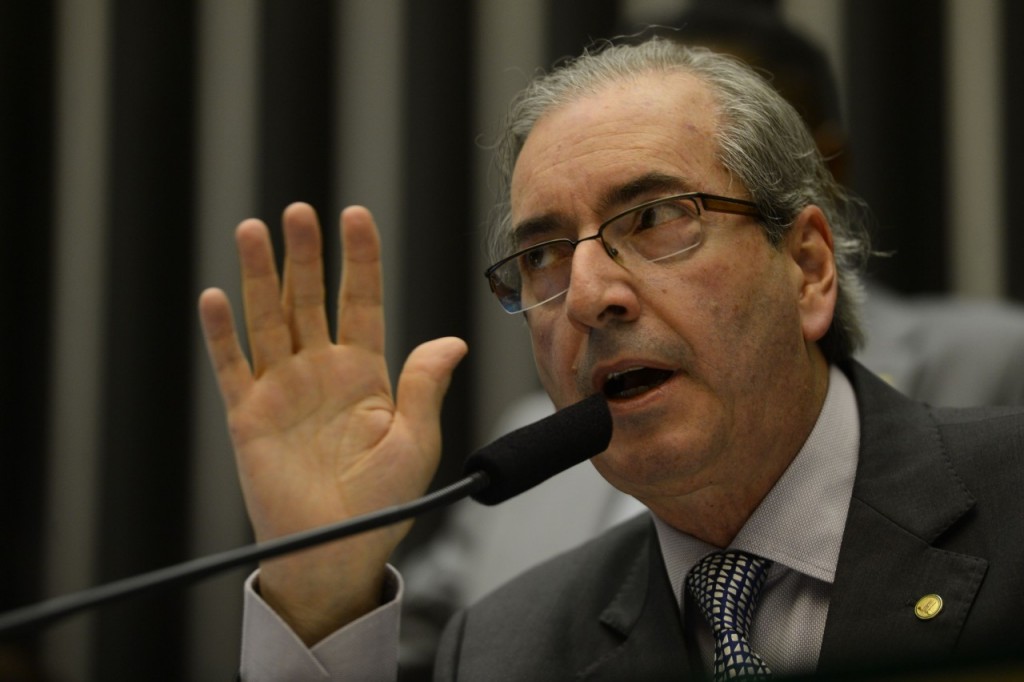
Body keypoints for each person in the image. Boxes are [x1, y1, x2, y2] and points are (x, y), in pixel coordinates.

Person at [198, 36, 1024, 680]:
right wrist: (320, 596)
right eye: (543, 255)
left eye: (657, 218)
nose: (589, 295)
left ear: (807, 268)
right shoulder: (505, 648)